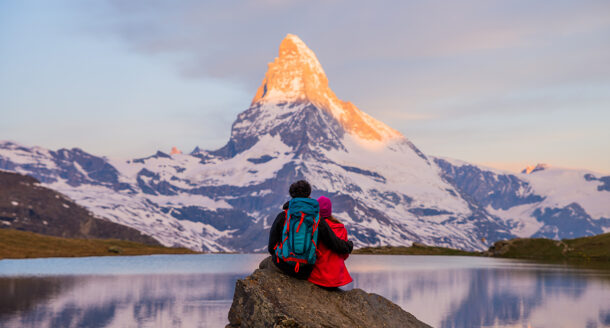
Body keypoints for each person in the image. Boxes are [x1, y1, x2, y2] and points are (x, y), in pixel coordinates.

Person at [268, 180, 353, 279]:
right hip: (305, 270)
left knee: (264, 264)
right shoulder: (316, 218)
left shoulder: (283, 216)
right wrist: (348, 246)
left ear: (292, 196)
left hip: (283, 265)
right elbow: (334, 242)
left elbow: (271, 247)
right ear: (309, 194)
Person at [308, 196, 353, 288]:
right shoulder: (341, 228)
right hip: (337, 277)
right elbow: (345, 255)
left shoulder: (314, 226)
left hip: (317, 276)